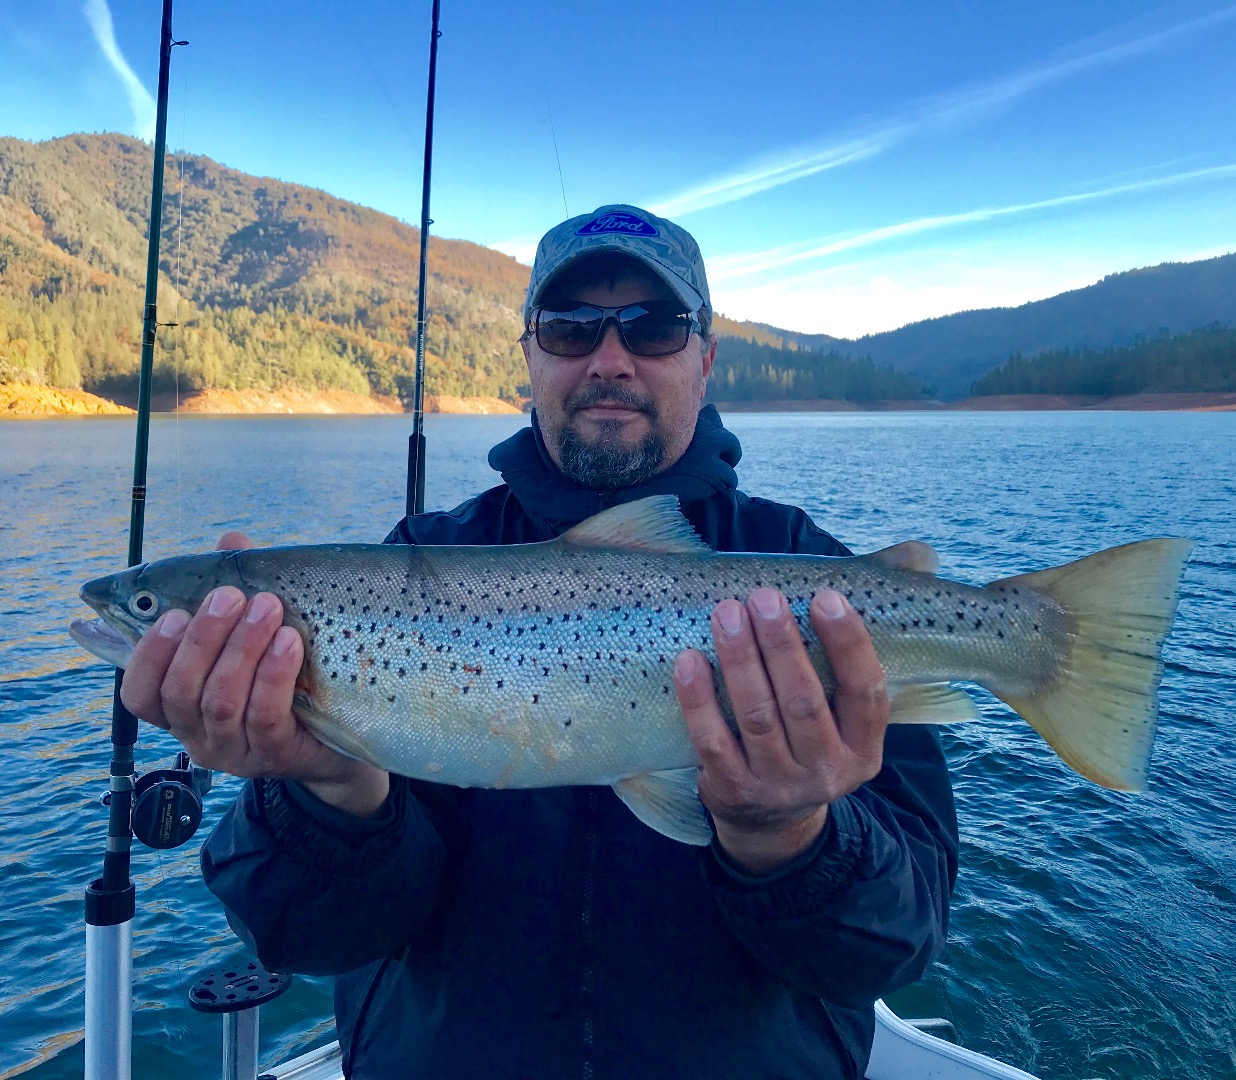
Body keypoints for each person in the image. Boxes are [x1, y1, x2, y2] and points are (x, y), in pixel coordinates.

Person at [119, 204, 958, 1079]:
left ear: (706, 360)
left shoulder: (817, 583)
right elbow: (307, 937)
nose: (609, 357)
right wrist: (330, 786)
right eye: (569, 328)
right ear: (530, 357)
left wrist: (788, 840)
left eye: (654, 326)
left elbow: (895, 948)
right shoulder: (413, 566)